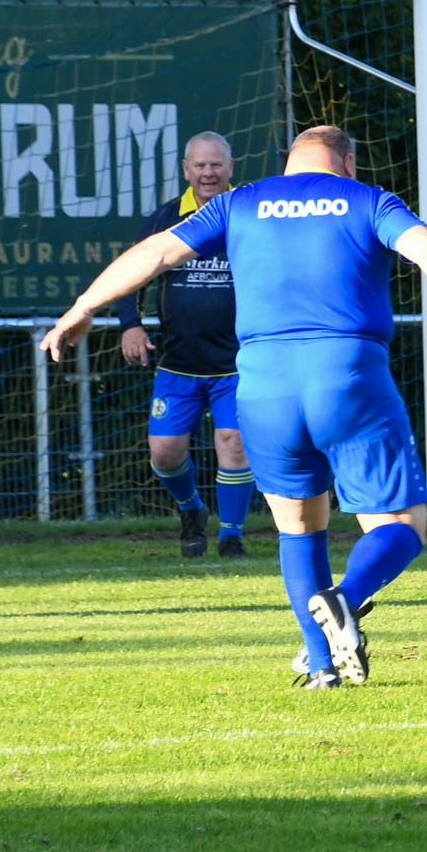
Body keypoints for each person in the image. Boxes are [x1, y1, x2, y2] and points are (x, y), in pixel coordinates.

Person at [41, 126, 427, 690]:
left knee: (298, 527)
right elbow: (425, 247)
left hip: (262, 386)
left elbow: (155, 252)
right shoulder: (367, 200)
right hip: (345, 375)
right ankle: (347, 599)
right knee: (404, 526)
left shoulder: (240, 203)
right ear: (348, 162)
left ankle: (322, 667)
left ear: (288, 164)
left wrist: (82, 306)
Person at [116, 130, 254, 559]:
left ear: (230, 168)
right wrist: (131, 326)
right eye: (200, 165)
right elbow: (130, 272)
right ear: (185, 170)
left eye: (216, 165)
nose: (208, 173)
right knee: (165, 451)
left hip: (238, 363)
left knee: (233, 443)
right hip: (178, 363)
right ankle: (191, 510)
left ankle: (231, 536)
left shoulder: (250, 213)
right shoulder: (166, 218)